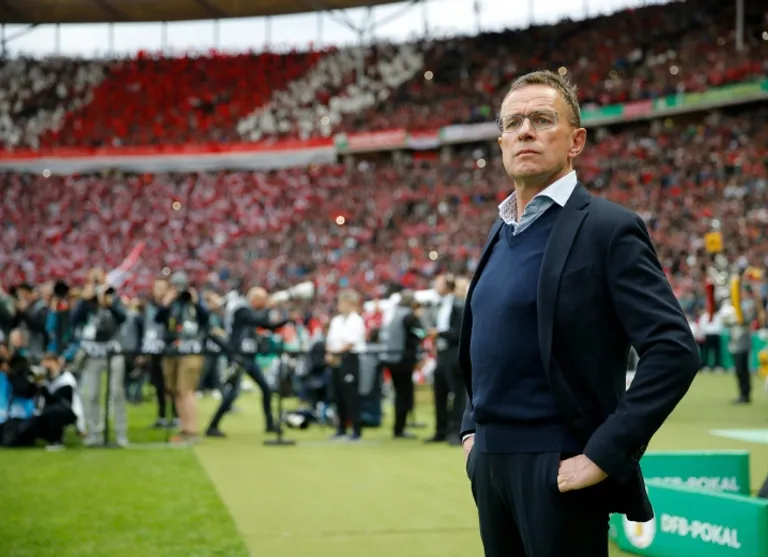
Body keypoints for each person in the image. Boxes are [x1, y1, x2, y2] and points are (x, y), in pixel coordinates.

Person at [459, 70, 700, 556]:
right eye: (513, 123)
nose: (525, 131)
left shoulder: (609, 229)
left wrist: (603, 455)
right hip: (491, 462)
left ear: (576, 141)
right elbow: (486, 338)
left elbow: (673, 350)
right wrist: (471, 431)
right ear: (502, 143)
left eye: (542, 119)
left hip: (558, 466)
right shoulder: (500, 230)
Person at [206, 286, 292, 437]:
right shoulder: (241, 310)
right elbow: (259, 320)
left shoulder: (248, 311)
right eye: (263, 299)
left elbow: (268, 325)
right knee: (233, 394)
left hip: (249, 357)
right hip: (239, 357)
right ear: (255, 299)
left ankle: (270, 425)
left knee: (266, 389)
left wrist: (287, 318)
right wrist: (269, 308)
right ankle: (212, 426)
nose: (265, 302)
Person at [155, 271, 209, 442]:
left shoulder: (195, 301)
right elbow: (158, 319)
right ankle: (184, 429)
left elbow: (206, 319)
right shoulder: (169, 302)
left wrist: (196, 301)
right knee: (176, 391)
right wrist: (166, 303)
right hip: (172, 351)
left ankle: (191, 430)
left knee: (187, 390)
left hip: (190, 350)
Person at [379, 290, 425, 438]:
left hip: (391, 357)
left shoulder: (393, 314)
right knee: (404, 394)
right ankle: (400, 427)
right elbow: (421, 333)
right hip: (403, 359)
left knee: (398, 392)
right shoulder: (409, 316)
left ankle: (398, 426)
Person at [426, 273, 465, 445]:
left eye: (438, 283)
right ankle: (440, 430)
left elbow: (460, 332)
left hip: (453, 353)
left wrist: (440, 333)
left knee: (456, 393)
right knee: (439, 391)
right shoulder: (440, 305)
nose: (435, 286)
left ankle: (456, 431)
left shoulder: (458, 305)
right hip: (441, 353)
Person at [326, 289, 367, 441]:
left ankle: (356, 429)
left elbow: (351, 342)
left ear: (350, 303)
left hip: (350, 358)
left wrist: (335, 352)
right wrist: (329, 353)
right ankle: (341, 427)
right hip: (336, 359)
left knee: (351, 394)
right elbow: (330, 340)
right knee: (338, 394)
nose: (340, 305)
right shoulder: (336, 321)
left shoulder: (356, 320)